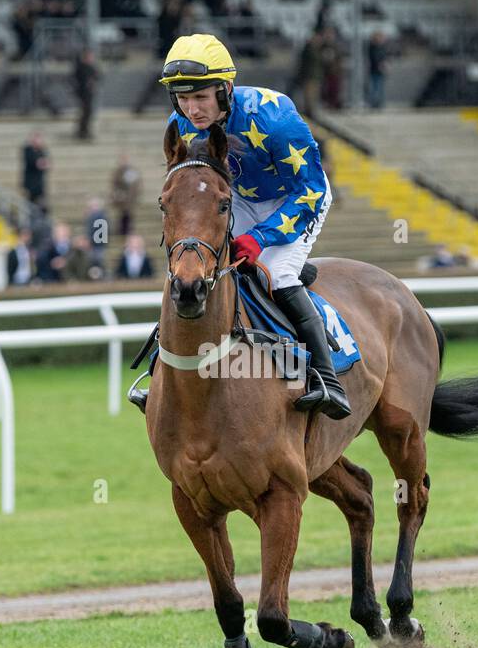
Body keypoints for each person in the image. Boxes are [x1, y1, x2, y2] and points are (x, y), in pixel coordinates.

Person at [141, 33, 350, 419]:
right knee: (197, 266)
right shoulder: (179, 125)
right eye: (183, 99)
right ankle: (160, 363)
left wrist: (261, 238)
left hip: (295, 199)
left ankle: (326, 379)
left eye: (201, 97)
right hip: (236, 200)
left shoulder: (274, 116)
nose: (192, 109)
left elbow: (311, 189)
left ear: (226, 89)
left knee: (279, 272)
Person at [110, 153, 141, 241]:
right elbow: (114, 184)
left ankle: (127, 231)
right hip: (121, 198)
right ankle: (121, 231)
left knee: (128, 215)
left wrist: (134, 195)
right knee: (121, 215)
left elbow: (136, 184)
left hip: (130, 199)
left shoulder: (132, 171)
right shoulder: (117, 172)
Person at [73, 47, 99, 141]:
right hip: (83, 94)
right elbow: (78, 79)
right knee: (85, 112)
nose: (92, 58)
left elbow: (98, 76)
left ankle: (85, 131)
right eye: (90, 56)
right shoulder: (81, 67)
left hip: (89, 94)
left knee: (88, 113)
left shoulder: (91, 67)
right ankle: (82, 131)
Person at [21, 132, 50, 210]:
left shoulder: (42, 151)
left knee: (43, 206)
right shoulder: (28, 150)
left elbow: (47, 164)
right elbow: (36, 163)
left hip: (39, 184)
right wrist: (41, 163)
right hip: (30, 184)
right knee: (31, 205)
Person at [366, 31, 388, 109]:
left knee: (380, 88)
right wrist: (380, 65)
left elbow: (384, 58)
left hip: (380, 72)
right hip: (374, 71)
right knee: (374, 88)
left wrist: (384, 66)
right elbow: (374, 59)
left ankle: (378, 103)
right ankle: (373, 103)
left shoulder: (382, 47)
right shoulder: (372, 47)